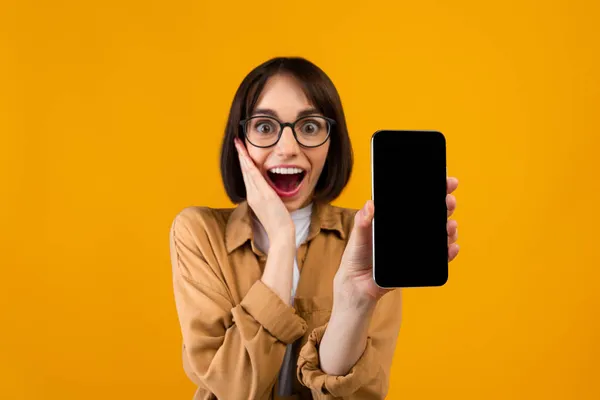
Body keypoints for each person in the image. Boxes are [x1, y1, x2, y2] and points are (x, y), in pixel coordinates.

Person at [169, 56, 460, 400]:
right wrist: (281, 239)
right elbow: (232, 389)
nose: (288, 148)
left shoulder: (367, 237)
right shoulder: (198, 232)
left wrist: (355, 303)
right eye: (265, 126)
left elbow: (360, 395)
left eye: (309, 127)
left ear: (331, 142)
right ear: (240, 141)